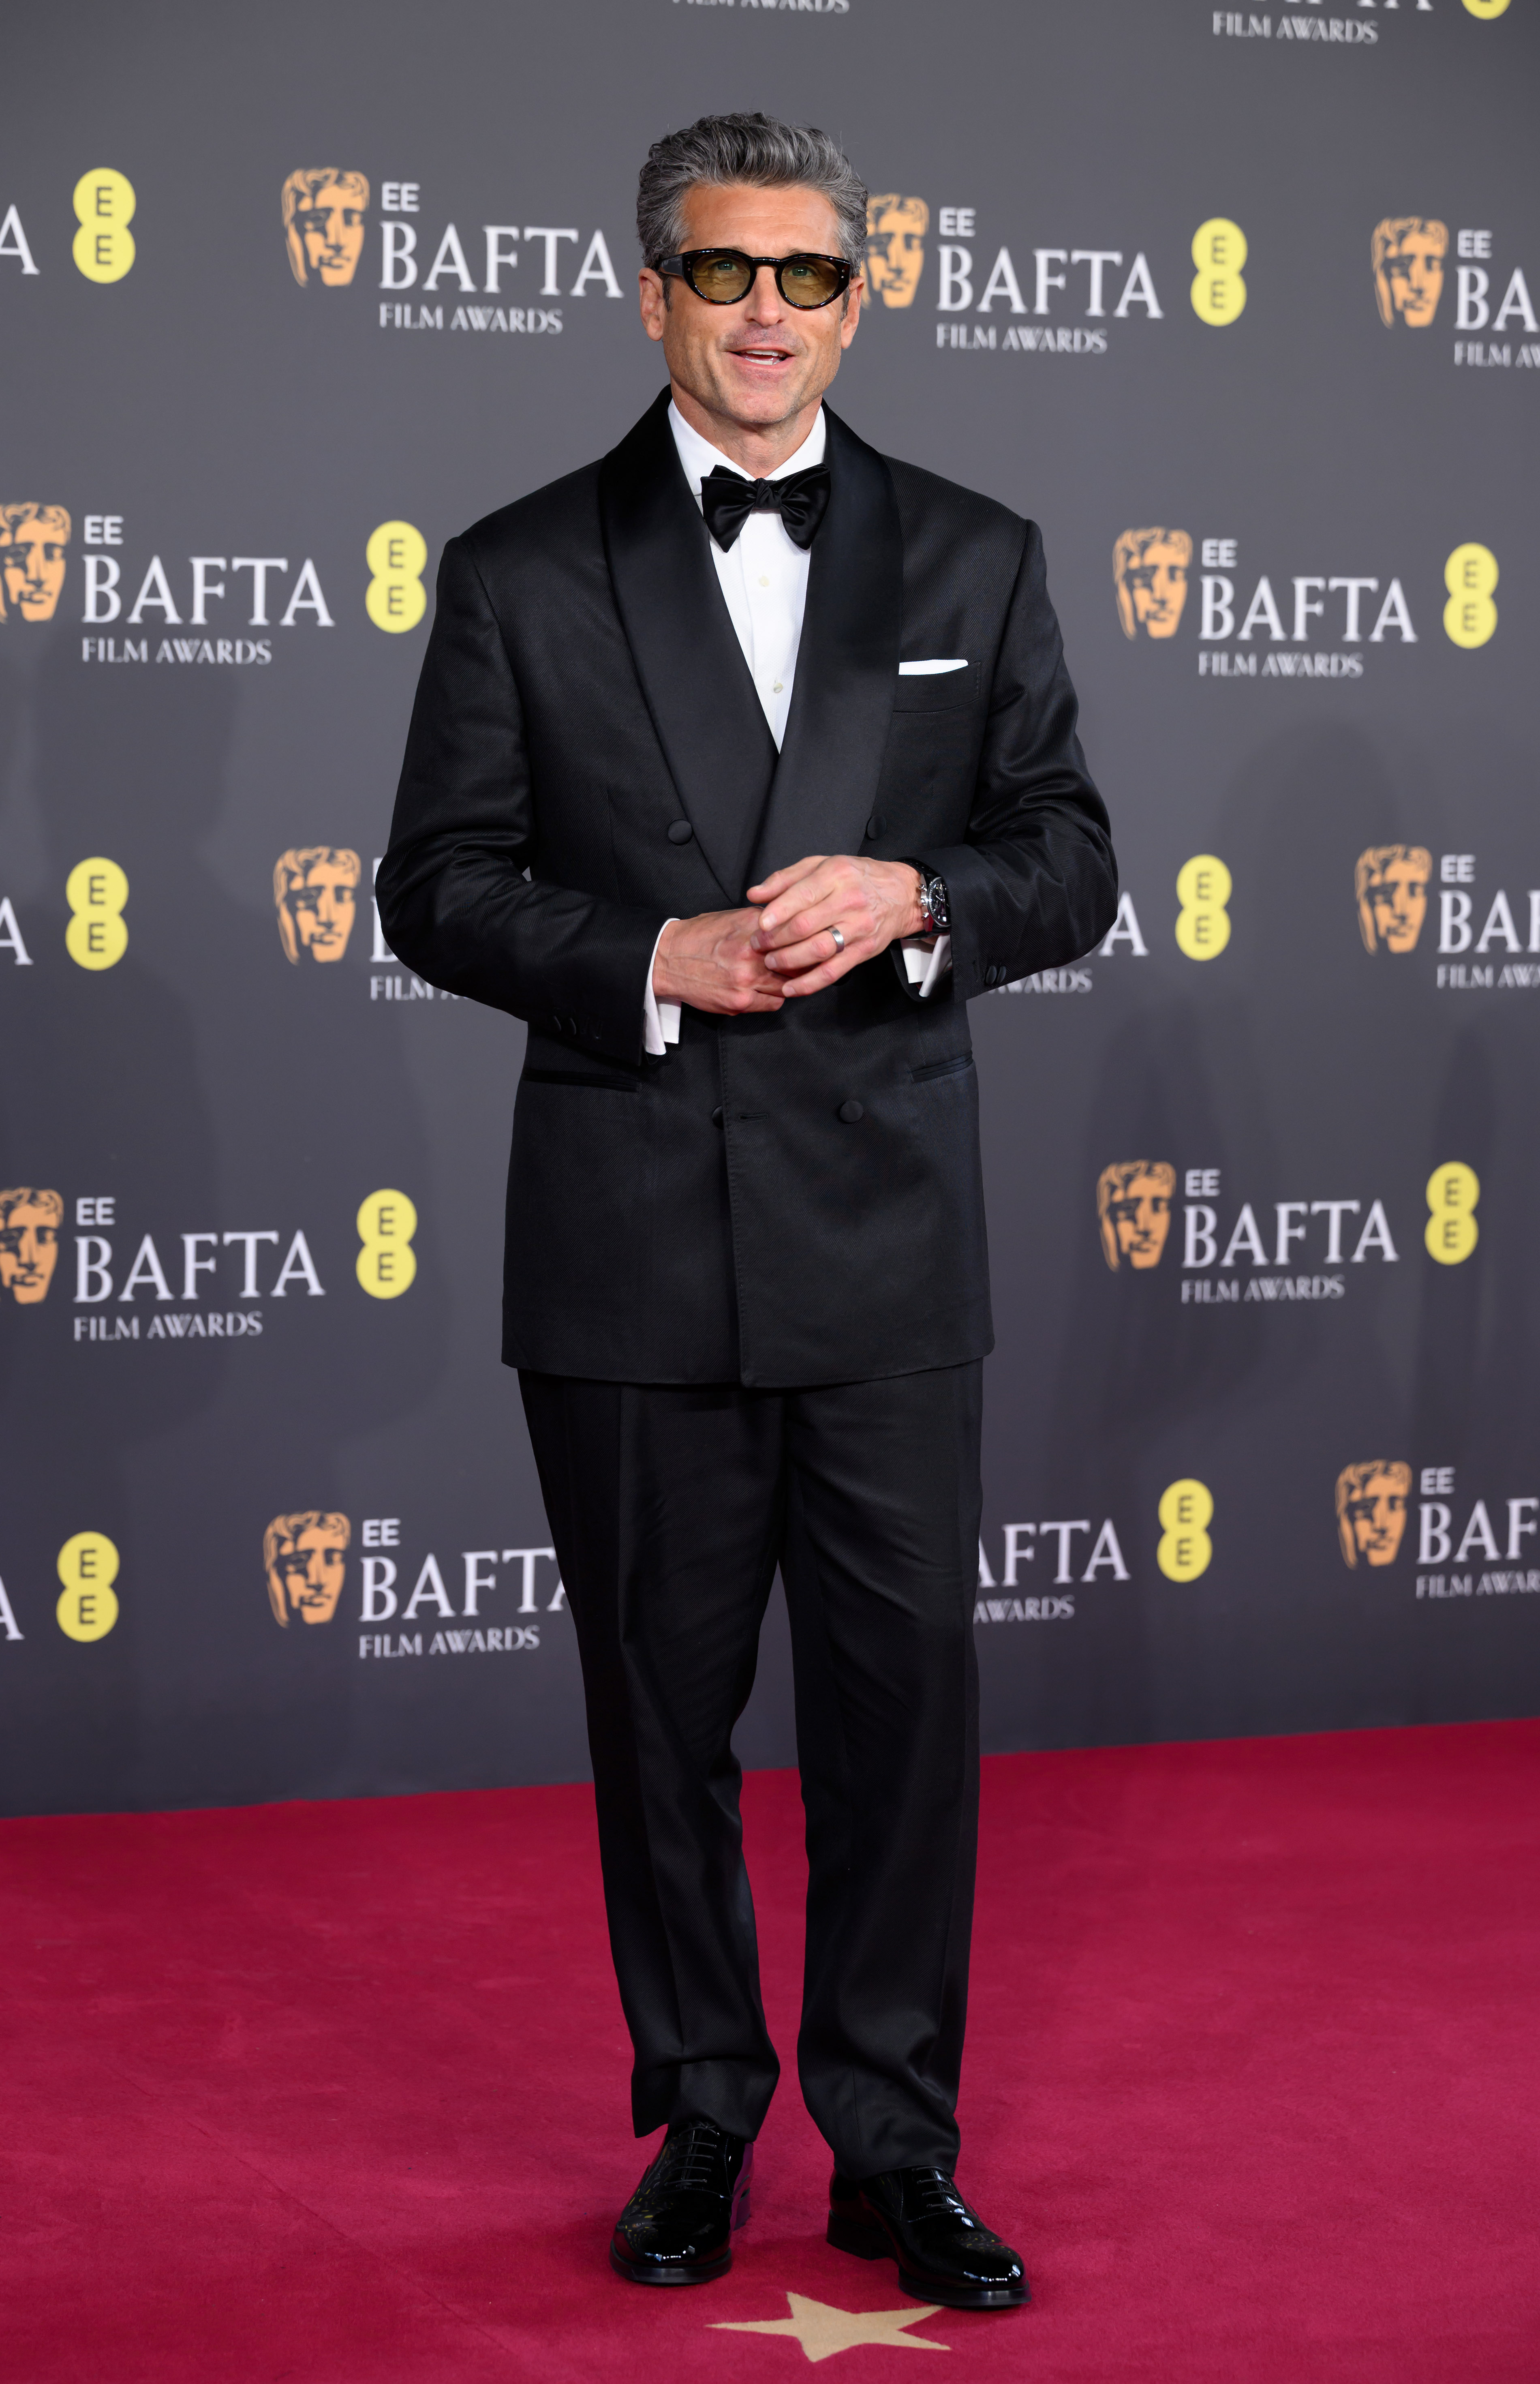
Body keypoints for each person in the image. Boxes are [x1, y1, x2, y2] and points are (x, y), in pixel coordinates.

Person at [378, 111, 1115, 2313]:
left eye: (806, 273)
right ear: (650, 292)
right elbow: (434, 882)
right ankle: (702, 2111)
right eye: (724, 274)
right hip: (626, 1238)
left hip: (888, 1238)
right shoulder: (520, 566)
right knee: (656, 1718)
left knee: (906, 1714)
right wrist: (643, 957)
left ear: (860, 296)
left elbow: (1069, 852)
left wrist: (922, 897)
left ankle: (891, 2142)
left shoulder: (972, 553)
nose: (767, 311)